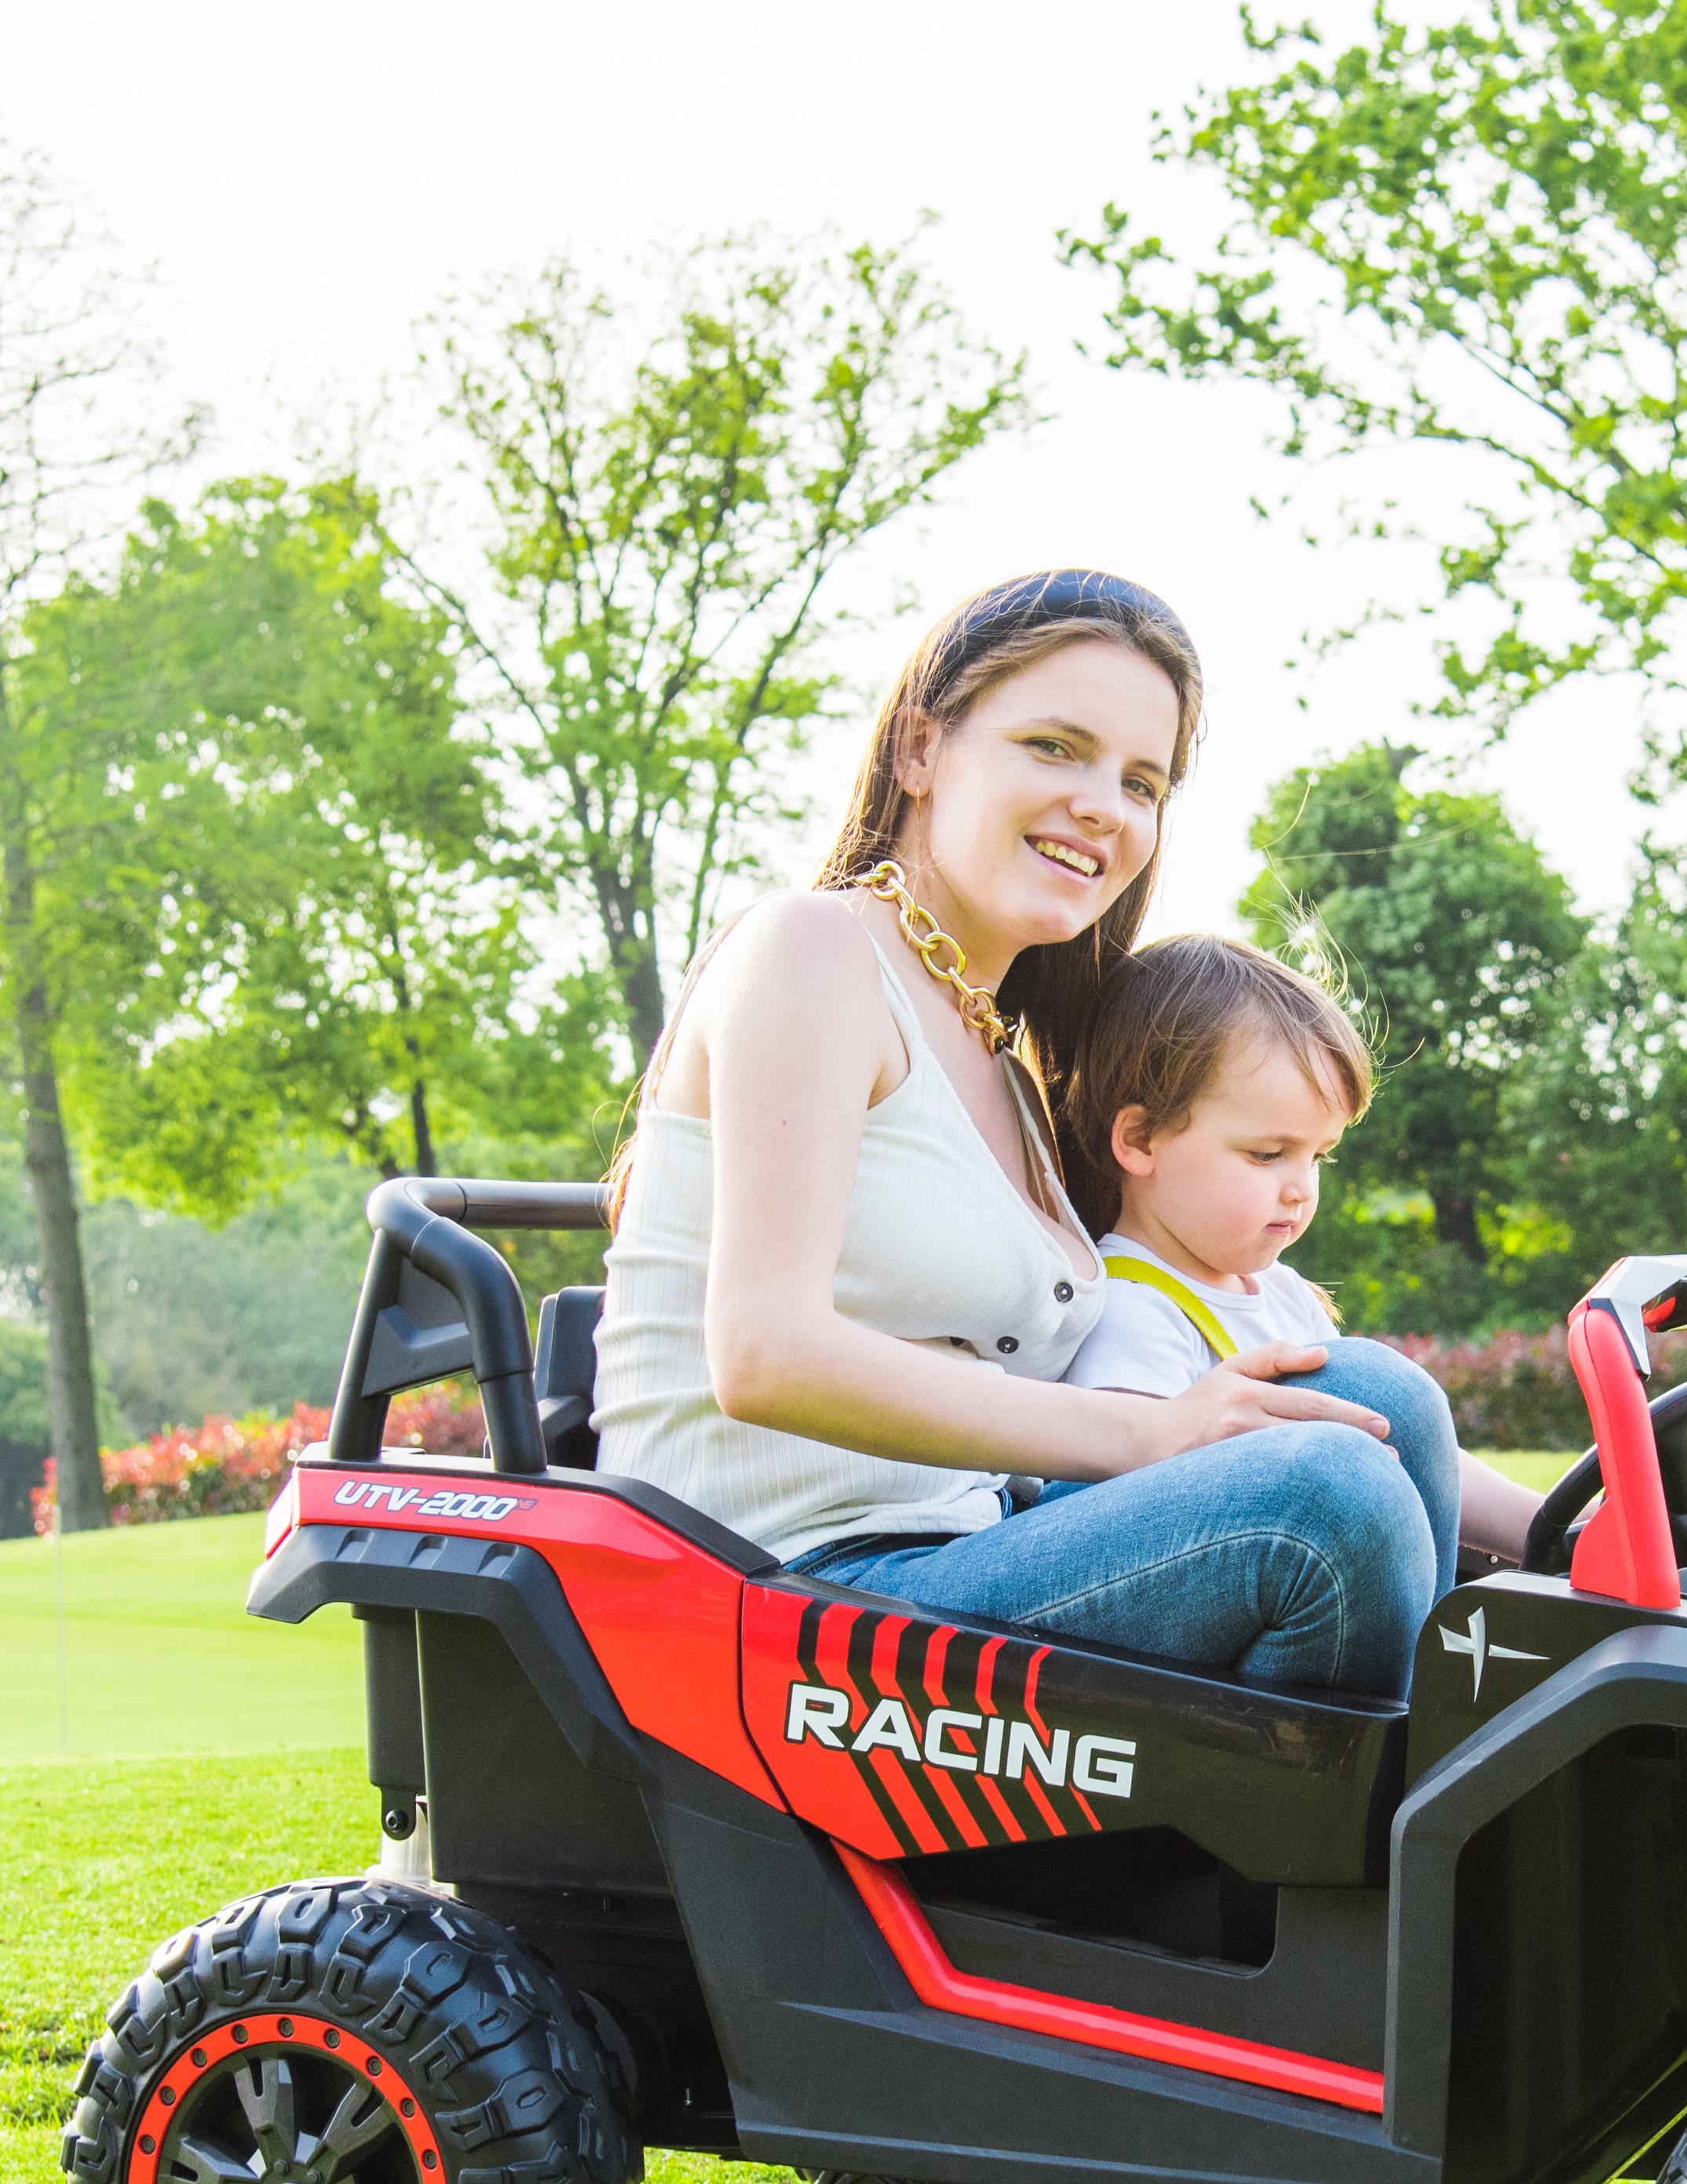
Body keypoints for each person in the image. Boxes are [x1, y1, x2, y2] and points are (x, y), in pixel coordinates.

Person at [592, 568, 1453, 1697]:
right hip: (780, 1590)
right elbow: (763, 1353)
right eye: (1054, 746)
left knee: (1374, 1398)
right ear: (919, 752)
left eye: (1141, 781)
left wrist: (1566, 1524)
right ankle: (1351, 1868)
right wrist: (1144, 1438)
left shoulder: (1008, 1059)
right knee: (1320, 1504)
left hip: (962, 1544)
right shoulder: (810, 952)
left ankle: (1428, 1828)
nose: (1104, 803)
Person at [1050, 932, 1539, 1598]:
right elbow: (1139, 1527)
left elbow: (1401, 1441)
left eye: (1318, 1156)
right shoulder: (1131, 1308)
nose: (1301, 1187)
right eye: (1266, 1154)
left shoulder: (1284, 1296)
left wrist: (1549, 1528)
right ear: (1140, 1139)